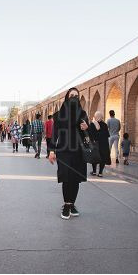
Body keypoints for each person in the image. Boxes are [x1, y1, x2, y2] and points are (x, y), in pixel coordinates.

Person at [49, 87, 89, 220]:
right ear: (67, 97)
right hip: (64, 150)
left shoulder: (82, 114)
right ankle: (66, 205)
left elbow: (88, 135)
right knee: (66, 177)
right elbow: (54, 134)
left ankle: (72, 204)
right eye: (71, 95)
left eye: (76, 96)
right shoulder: (59, 115)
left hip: (78, 151)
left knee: (75, 179)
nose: (73, 98)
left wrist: (86, 128)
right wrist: (52, 150)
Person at [89, 111, 111, 177]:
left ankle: (94, 171)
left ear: (95, 117)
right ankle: (100, 172)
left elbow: (90, 135)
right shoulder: (104, 125)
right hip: (104, 144)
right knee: (103, 158)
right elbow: (107, 135)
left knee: (94, 157)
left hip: (95, 144)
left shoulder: (92, 124)